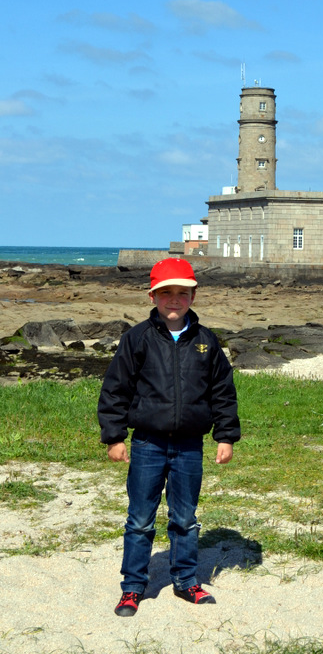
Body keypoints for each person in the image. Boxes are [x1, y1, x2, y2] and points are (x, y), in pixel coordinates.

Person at [98, 258, 240, 618]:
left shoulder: (206, 341)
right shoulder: (137, 338)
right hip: (148, 443)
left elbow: (222, 392)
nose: (173, 300)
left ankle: (185, 580)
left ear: (193, 296)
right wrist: (115, 437)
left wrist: (226, 436)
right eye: (166, 292)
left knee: (185, 518)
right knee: (140, 518)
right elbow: (115, 390)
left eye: (181, 293)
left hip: (190, 445)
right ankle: (132, 587)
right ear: (153, 295)